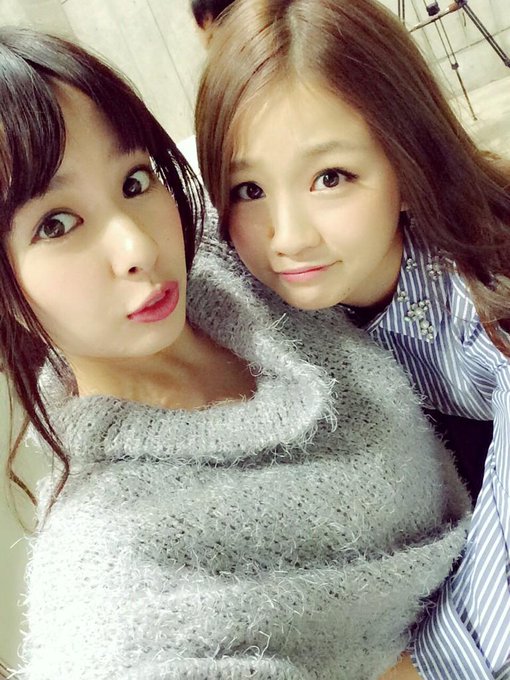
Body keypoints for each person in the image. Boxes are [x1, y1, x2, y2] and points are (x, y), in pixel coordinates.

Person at [0, 26, 470, 680]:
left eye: (134, 180)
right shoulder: (111, 574)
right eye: (56, 224)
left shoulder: (233, 252)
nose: (139, 248)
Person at [194, 0, 510, 677]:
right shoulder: (263, 297)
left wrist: (418, 666)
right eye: (248, 188)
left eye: (330, 178)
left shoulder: (486, 301)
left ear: (410, 166)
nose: (288, 237)